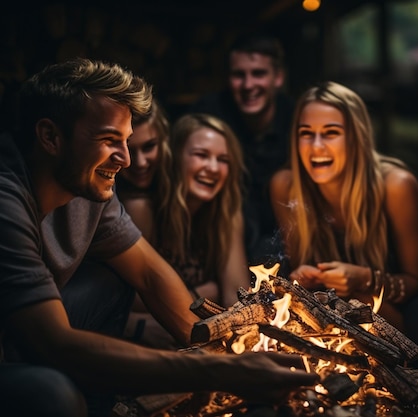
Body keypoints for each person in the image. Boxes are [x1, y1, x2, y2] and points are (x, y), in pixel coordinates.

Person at [0, 57, 318, 417]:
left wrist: (230, 351)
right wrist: (222, 372)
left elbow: (150, 274)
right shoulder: (6, 203)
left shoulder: (90, 189)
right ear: (50, 137)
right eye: (108, 140)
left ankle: (99, 397)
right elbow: (54, 343)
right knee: (52, 395)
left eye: (127, 141)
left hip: (28, 337)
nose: (126, 160)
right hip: (23, 350)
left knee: (113, 278)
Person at [270, 81, 418, 332]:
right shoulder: (285, 186)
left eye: (330, 132)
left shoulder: (396, 185)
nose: (316, 146)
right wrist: (303, 277)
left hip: (407, 308)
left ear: (356, 137)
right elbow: (300, 269)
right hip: (334, 313)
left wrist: (364, 278)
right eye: (306, 133)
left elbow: (417, 281)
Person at [125, 113, 252, 348]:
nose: (213, 168)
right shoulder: (144, 209)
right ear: (175, 158)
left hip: (200, 340)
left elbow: (237, 298)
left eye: (223, 159)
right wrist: (203, 293)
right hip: (147, 343)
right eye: (201, 155)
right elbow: (127, 301)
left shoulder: (227, 216)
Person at [189, 31, 294, 264]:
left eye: (258, 74)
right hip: (217, 233)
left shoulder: (296, 121)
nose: (248, 85)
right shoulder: (208, 115)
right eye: (239, 75)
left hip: (282, 236)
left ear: (278, 78)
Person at [116, 97, 172, 245]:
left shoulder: (177, 189)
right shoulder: (135, 206)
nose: (140, 162)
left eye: (149, 147)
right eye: (128, 149)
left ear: (164, 140)